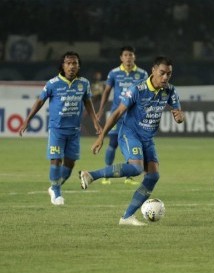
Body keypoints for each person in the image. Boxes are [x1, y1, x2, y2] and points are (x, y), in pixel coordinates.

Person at [79, 56, 184, 226]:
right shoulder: (137, 89)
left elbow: (178, 115)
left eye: (169, 74)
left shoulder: (170, 91)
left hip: (148, 138)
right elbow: (117, 113)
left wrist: (180, 117)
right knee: (136, 168)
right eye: (162, 73)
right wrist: (101, 137)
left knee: (153, 176)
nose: (165, 77)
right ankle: (91, 175)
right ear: (153, 71)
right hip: (130, 133)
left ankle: (127, 217)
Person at [19, 51, 101, 205]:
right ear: (62, 66)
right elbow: (40, 101)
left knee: (70, 164)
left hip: (74, 131)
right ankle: (56, 193)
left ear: (78, 66)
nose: (71, 66)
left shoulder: (84, 83)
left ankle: (54, 187)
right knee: (56, 160)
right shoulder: (53, 83)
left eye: (74, 63)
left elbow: (88, 102)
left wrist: (96, 121)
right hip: (57, 129)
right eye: (68, 63)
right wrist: (27, 120)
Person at [96, 46, 148, 186]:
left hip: (134, 116)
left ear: (134, 57)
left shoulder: (142, 74)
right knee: (113, 143)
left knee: (133, 145)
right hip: (117, 114)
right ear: (121, 57)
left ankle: (129, 176)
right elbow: (106, 92)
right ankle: (106, 174)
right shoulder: (114, 73)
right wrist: (101, 110)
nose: (128, 57)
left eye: (131, 54)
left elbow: (146, 93)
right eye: (126, 55)